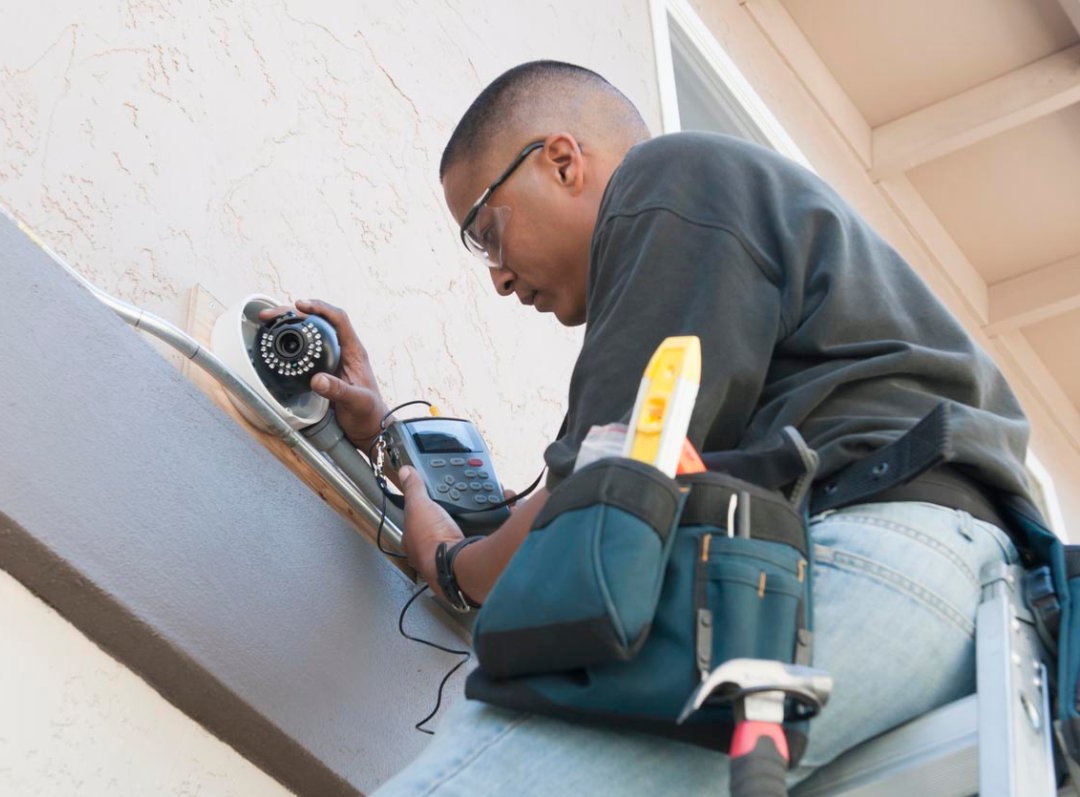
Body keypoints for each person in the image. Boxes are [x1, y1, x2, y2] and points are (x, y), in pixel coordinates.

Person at [268, 61, 1036, 795]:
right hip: (976, 625)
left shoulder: (666, 181)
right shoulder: (744, 251)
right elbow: (583, 499)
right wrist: (381, 443)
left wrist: (446, 559)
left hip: (870, 547)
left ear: (563, 161)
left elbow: (593, 504)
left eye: (486, 231)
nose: (497, 275)